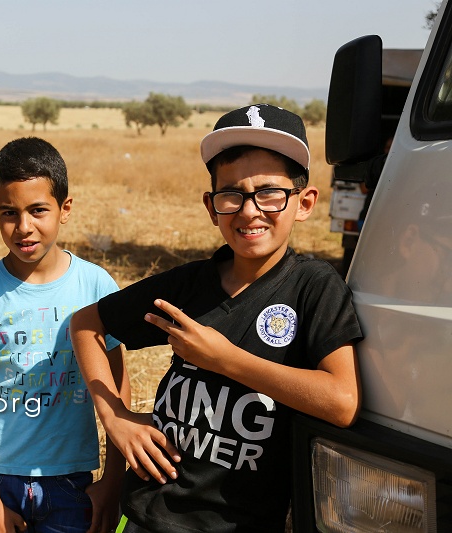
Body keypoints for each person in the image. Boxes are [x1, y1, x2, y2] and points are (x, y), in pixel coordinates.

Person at [70, 104, 363, 532]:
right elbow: (85, 324)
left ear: (304, 203)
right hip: (145, 513)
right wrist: (115, 416)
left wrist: (225, 360)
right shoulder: (191, 284)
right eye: (232, 195)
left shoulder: (313, 288)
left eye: (269, 193)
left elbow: (342, 402)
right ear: (211, 208)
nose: (249, 211)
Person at [0, 137, 129, 533]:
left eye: (38, 210)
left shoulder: (96, 286)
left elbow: (117, 388)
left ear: (65, 209)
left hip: (72, 481)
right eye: (10, 213)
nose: (24, 227)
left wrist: (113, 481)